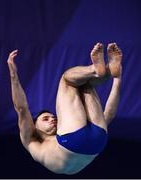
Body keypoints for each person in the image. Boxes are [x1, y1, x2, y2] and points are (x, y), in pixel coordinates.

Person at [7, 42, 122, 174]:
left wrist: (117, 79)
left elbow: (109, 115)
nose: (52, 119)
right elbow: (21, 108)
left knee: (85, 85)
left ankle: (108, 72)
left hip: (98, 142)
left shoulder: (58, 135)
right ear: (35, 125)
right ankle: (95, 70)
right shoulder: (31, 140)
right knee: (67, 80)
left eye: (52, 117)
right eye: (45, 119)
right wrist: (13, 76)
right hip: (74, 141)